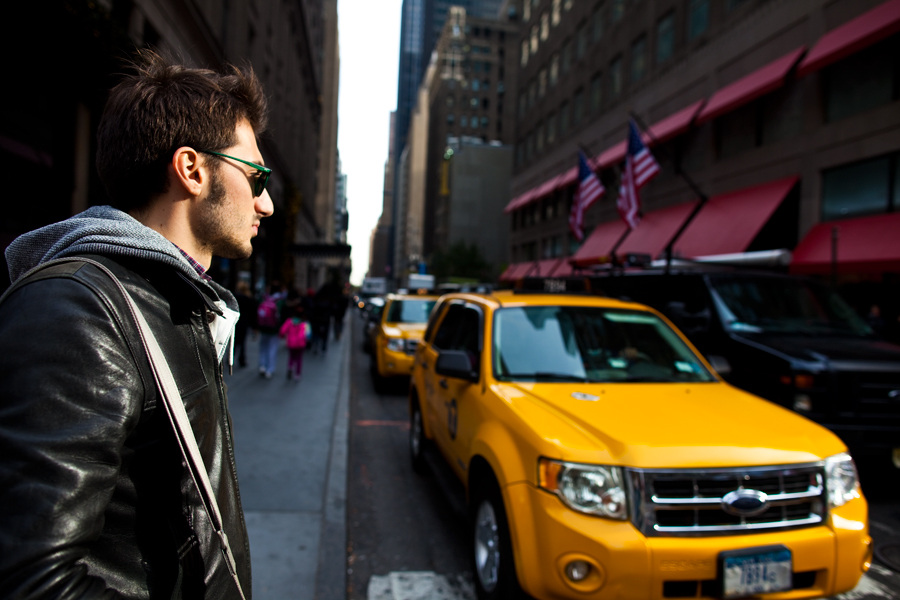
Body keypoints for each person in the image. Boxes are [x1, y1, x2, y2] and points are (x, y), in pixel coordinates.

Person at [0, 52, 272, 598]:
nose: (265, 203)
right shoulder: (77, 310)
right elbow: (34, 579)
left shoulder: (177, 300)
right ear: (192, 170)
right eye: (256, 176)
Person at [257, 281, 285, 378]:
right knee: (272, 348)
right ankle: (270, 369)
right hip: (274, 328)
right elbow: (282, 315)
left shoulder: (263, 298)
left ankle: (262, 366)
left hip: (263, 327)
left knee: (263, 347)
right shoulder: (280, 300)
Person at [279, 308, 310, 381]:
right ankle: (297, 374)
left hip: (291, 343)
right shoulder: (305, 324)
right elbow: (308, 334)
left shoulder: (289, 321)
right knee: (299, 359)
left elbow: (282, 330)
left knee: (291, 357)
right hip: (300, 344)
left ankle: (290, 367)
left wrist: (282, 336)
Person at [234, 280, 257, 367]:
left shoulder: (235, 297)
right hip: (244, 323)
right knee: (243, 342)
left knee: (235, 341)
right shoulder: (248, 298)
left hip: (236, 322)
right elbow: (253, 313)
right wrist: (254, 327)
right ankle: (242, 359)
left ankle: (231, 358)